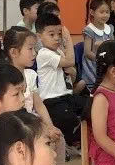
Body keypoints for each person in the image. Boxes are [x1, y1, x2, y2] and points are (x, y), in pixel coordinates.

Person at [0, 26, 68, 165]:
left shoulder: (30, 75)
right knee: (41, 142)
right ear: (14, 52)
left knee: (58, 137)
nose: (34, 53)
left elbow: (39, 104)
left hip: (31, 122)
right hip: (16, 126)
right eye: (30, 49)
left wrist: (49, 125)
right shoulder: (4, 78)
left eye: (35, 49)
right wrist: (42, 129)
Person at [36, 13, 87, 147]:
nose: (57, 38)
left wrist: (73, 73)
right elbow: (70, 61)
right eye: (51, 34)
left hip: (66, 96)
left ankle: (76, 139)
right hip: (52, 100)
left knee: (90, 105)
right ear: (39, 36)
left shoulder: (58, 52)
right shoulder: (44, 54)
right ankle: (69, 142)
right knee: (68, 118)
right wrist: (68, 39)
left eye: (59, 34)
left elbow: (70, 78)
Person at [82, 0, 115, 88]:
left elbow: (112, 46)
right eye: (101, 12)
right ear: (92, 12)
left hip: (107, 61)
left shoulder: (109, 28)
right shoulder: (89, 30)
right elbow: (88, 52)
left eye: (107, 12)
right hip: (94, 62)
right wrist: (100, 60)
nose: (105, 15)